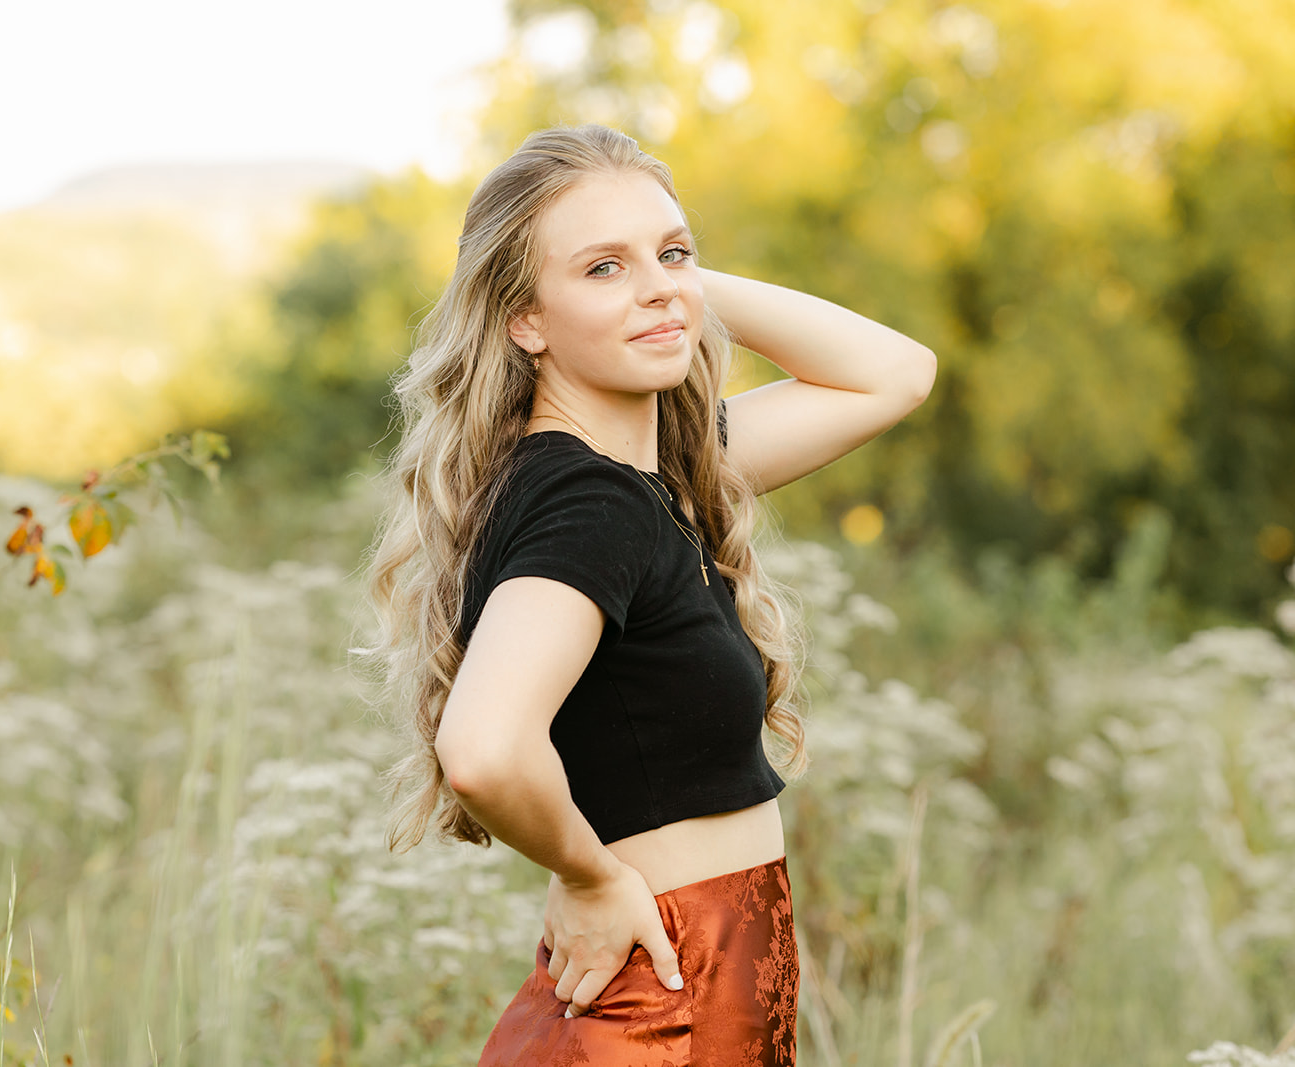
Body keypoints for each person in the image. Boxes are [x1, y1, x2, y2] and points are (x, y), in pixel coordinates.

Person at [366, 124, 935, 1066]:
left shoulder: (659, 475)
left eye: (672, 249)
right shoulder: (591, 502)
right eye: (600, 268)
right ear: (525, 320)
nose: (658, 285)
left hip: (697, 992)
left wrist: (672, 281)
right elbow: (482, 747)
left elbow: (893, 373)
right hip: (665, 1006)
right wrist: (587, 875)